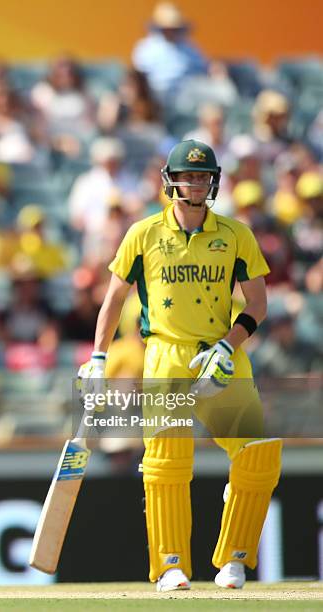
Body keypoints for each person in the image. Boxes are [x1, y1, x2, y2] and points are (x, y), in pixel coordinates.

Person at [78, 140, 281, 591]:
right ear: (170, 180)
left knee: (260, 452)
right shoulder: (144, 233)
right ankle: (170, 565)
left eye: (204, 176)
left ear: (214, 181)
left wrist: (230, 345)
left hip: (220, 356)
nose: (197, 183)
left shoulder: (235, 234)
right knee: (167, 461)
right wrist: (98, 356)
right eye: (189, 176)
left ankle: (235, 558)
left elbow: (259, 302)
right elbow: (113, 300)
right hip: (167, 354)